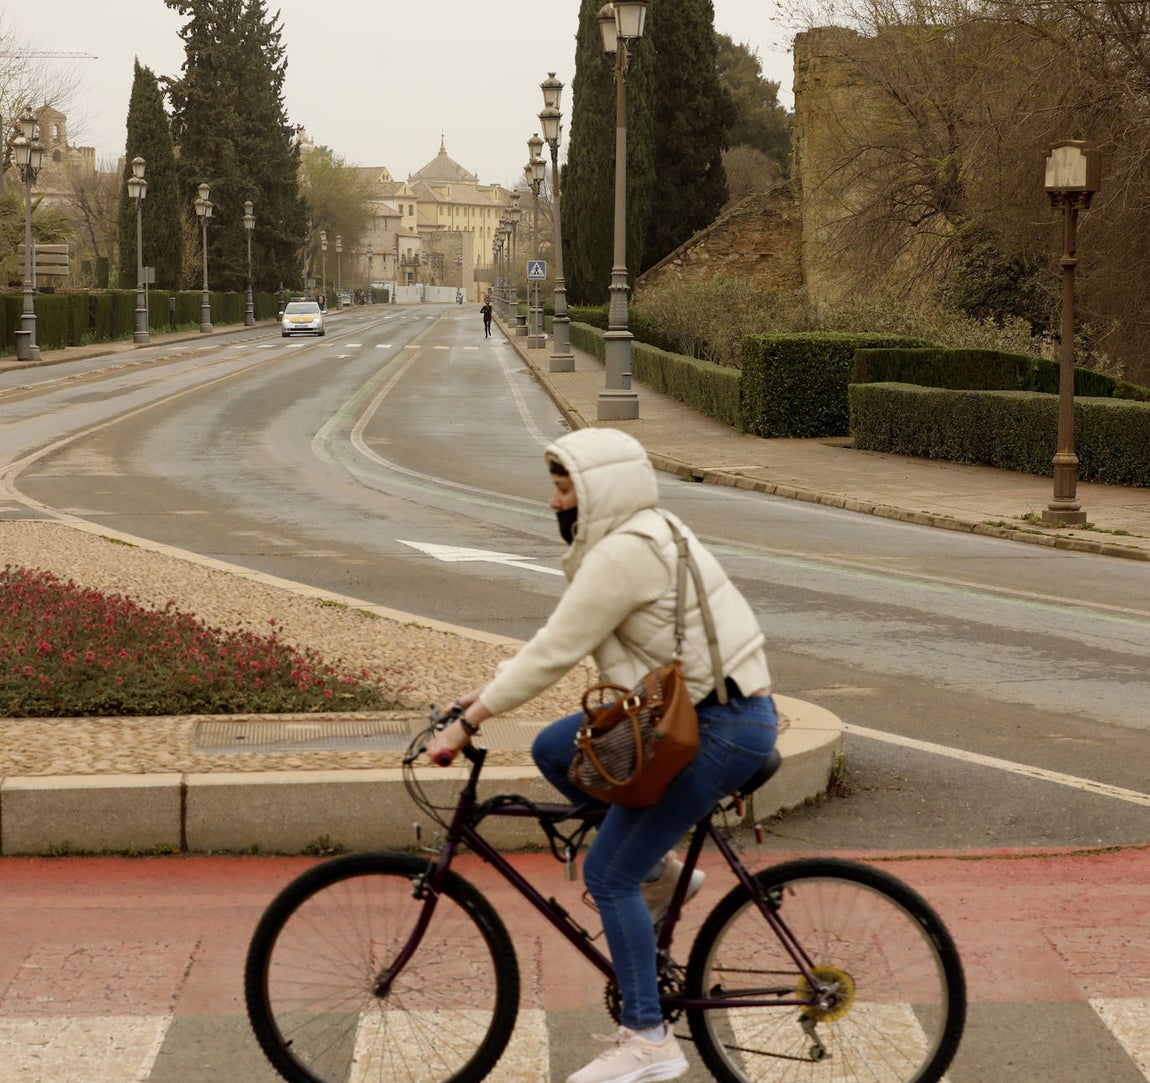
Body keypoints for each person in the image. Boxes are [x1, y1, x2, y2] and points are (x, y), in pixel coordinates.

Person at [428, 427, 776, 1083]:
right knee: (555, 747)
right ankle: (663, 873)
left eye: (565, 488)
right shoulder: (653, 528)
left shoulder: (622, 555)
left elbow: (554, 650)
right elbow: (556, 643)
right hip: (703, 711)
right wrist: (478, 696)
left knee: (608, 874)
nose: (554, 502)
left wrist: (466, 724)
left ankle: (648, 1036)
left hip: (714, 726)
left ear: (598, 491)